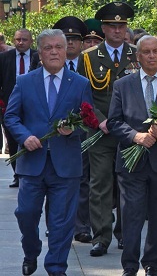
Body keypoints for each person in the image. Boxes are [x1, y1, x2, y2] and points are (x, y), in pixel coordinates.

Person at [4, 28, 93, 276]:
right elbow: (10, 116)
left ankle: (56, 267)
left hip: (66, 165)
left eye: (59, 47)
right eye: (48, 48)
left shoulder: (80, 83)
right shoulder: (25, 81)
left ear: (66, 51)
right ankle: (31, 251)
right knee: (26, 214)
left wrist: (72, 129)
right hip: (32, 163)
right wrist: (25, 136)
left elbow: (88, 120)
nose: (54, 52)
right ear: (40, 53)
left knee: (61, 222)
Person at [107, 35, 157, 276]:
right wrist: (135, 136)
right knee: (131, 216)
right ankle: (129, 265)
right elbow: (114, 121)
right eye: (147, 52)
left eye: (156, 52)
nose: (152, 56)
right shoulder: (123, 85)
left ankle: (152, 264)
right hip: (132, 162)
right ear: (138, 56)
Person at [77, 2, 139, 257]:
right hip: (100, 131)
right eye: (112, 26)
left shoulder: (137, 54)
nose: (117, 30)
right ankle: (101, 236)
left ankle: (125, 233)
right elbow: (84, 96)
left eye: (121, 25)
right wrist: (100, 120)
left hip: (130, 131)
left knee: (129, 184)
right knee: (100, 183)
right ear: (103, 28)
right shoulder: (89, 57)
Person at [52, 16, 94, 244]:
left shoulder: (91, 64)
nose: (70, 43)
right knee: (52, 178)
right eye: (65, 39)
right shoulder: (45, 64)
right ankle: (54, 224)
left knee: (82, 179)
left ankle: (81, 226)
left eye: (75, 39)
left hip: (82, 133)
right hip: (53, 135)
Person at [0, 29, 40, 188]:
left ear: (31, 41)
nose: (20, 42)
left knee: (31, 137)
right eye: (17, 39)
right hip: (10, 105)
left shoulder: (38, 56)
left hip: (33, 105)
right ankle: (18, 174)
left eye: (24, 39)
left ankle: (30, 171)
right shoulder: (4, 58)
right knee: (12, 139)